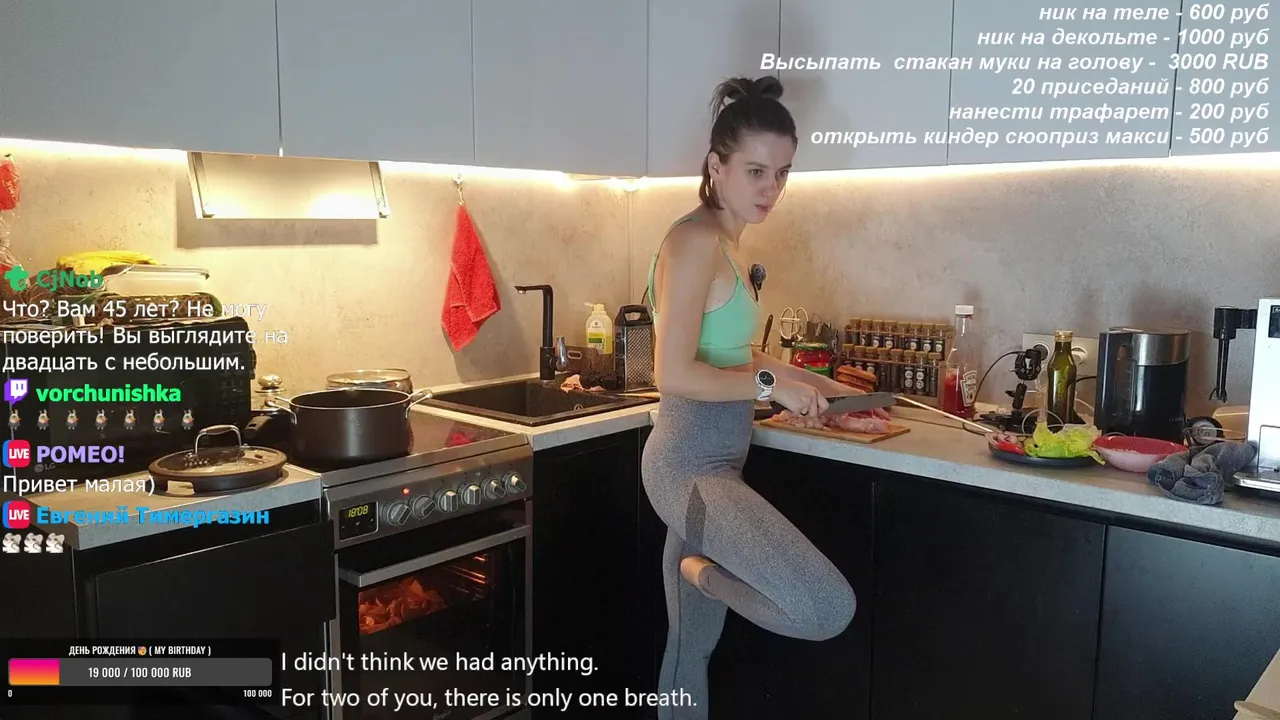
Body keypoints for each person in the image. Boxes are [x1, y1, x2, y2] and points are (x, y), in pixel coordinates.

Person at [641, 75, 857, 719]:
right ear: (717, 166)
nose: (771, 189)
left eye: (782, 173)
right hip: (687, 469)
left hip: (716, 466)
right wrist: (773, 389)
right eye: (756, 171)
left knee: (691, 650)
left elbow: (739, 355)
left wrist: (826, 387)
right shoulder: (693, 242)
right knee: (825, 608)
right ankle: (697, 570)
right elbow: (672, 373)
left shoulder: (728, 246)